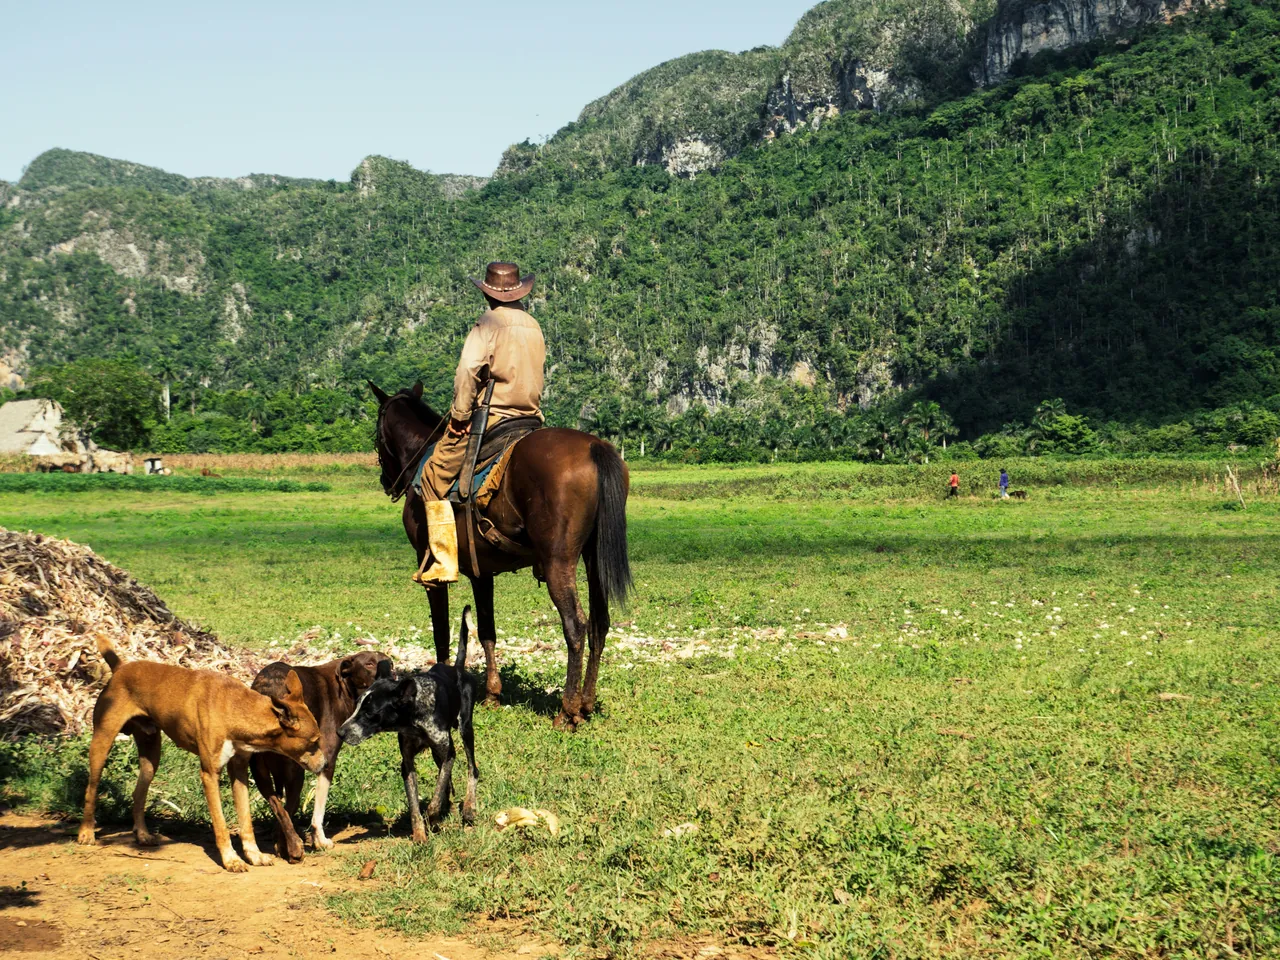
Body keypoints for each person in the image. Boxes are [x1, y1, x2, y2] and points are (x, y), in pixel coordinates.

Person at [413, 262, 546, 586]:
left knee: (433, 474)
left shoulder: (487, 324)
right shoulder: (533, 324)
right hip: (530, 419)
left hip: (494, 418)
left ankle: (443, 561)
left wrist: (459, 417)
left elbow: (468, 371)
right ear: (518, 292)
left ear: (488, 294)